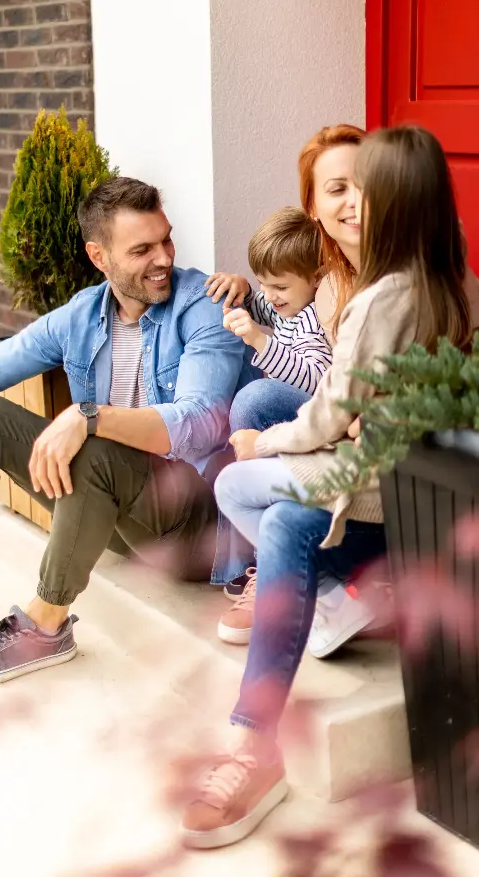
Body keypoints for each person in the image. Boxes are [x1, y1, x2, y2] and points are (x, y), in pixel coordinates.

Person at [0, 176, 260, 684]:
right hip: (122, 513)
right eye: (142, 249)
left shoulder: (204, 306)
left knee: (97, 440)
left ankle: (45, 625)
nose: (164, 258)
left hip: (192, 524)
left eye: (166, 240)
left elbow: (198, 423)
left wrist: (88, 416)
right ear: (99, 256)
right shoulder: (82, 315)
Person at [181, 125, 472, 850]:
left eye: (363, 187)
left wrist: (262, 442)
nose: (351, 201)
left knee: (238, 486)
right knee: (281, 521)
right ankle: (263, 726)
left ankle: (257, 735)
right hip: (410, 486)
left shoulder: (382, 296)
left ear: (395, 202)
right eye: (338, 188)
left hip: (377, 491)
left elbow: (332, 413)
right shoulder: (450, 279)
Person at [206, 206, 332, 645]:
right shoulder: (285, 301)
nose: (270, 295)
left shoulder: (317, 317)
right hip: (290, 422)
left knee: (253, 397)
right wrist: (243, 288)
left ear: (317, 277)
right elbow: (264, 304)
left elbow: (316, 380)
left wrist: (260, 340)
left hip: (316, 416)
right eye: (264, 283)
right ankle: (245, 564)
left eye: (279, 286)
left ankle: (260, 568)